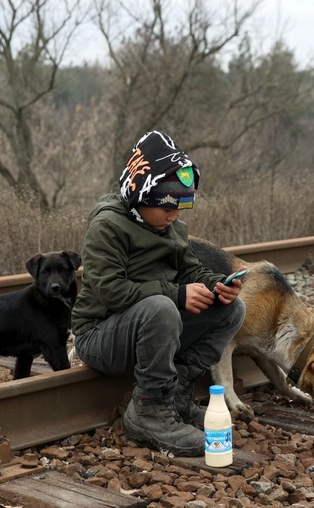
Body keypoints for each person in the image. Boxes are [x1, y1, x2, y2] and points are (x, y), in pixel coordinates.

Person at [72, 130, 247, 457]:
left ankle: (177, 395)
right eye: (167, 206)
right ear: (141, 194)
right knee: (163, 307)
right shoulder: (108, 226)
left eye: (181, 206)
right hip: (100, 335)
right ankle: (148, 412)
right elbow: (108, 290)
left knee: (232, 310)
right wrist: (178, 296)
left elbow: (190, 270)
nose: (174, 215)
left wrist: (216, 285)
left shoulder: (171, 227)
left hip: (149, 327)